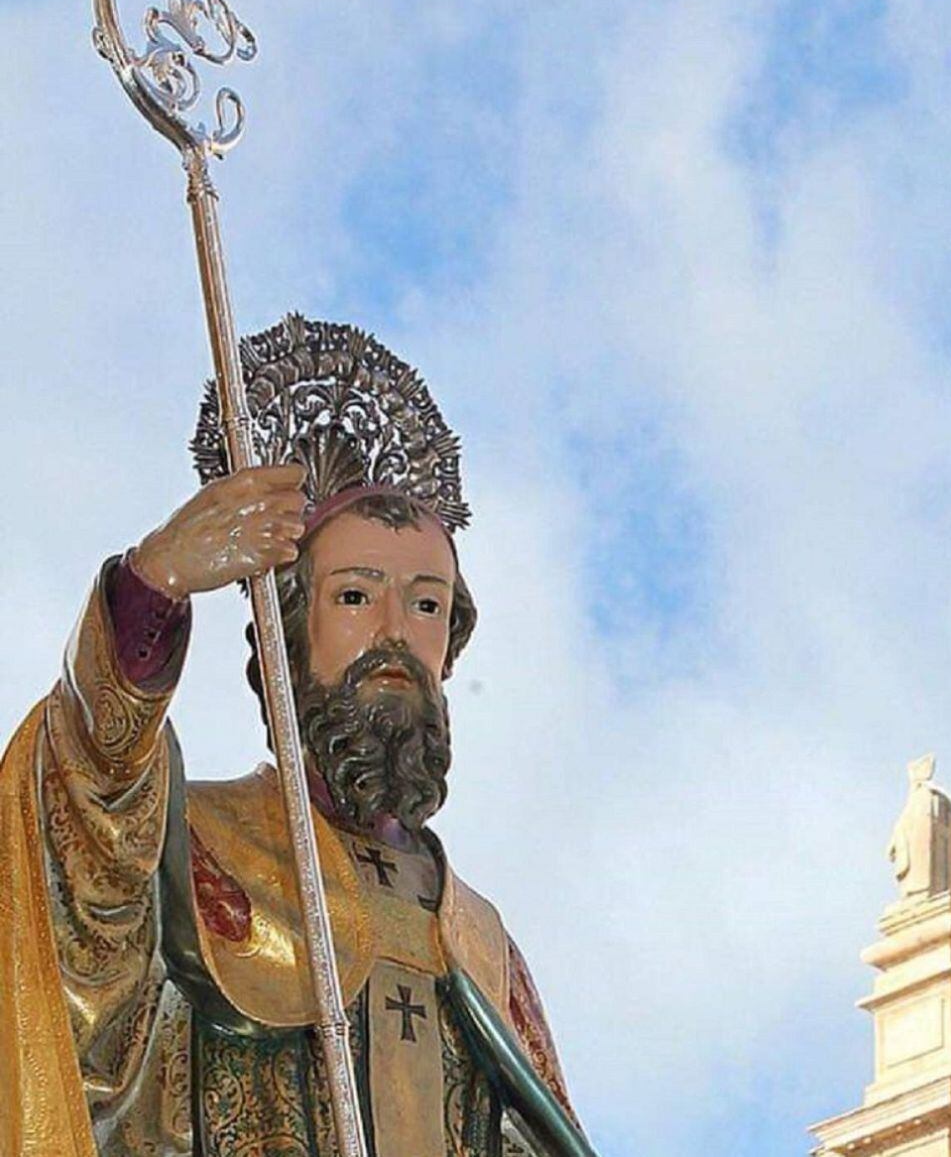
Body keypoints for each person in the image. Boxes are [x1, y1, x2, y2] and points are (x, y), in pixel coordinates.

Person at [0, 316, 594, 1157]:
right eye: (356, 595)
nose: (395, 630)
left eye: (425, 603)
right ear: (286, 630)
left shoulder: (483, 946)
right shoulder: (193, 846)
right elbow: (75, 839)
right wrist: (153, 585)